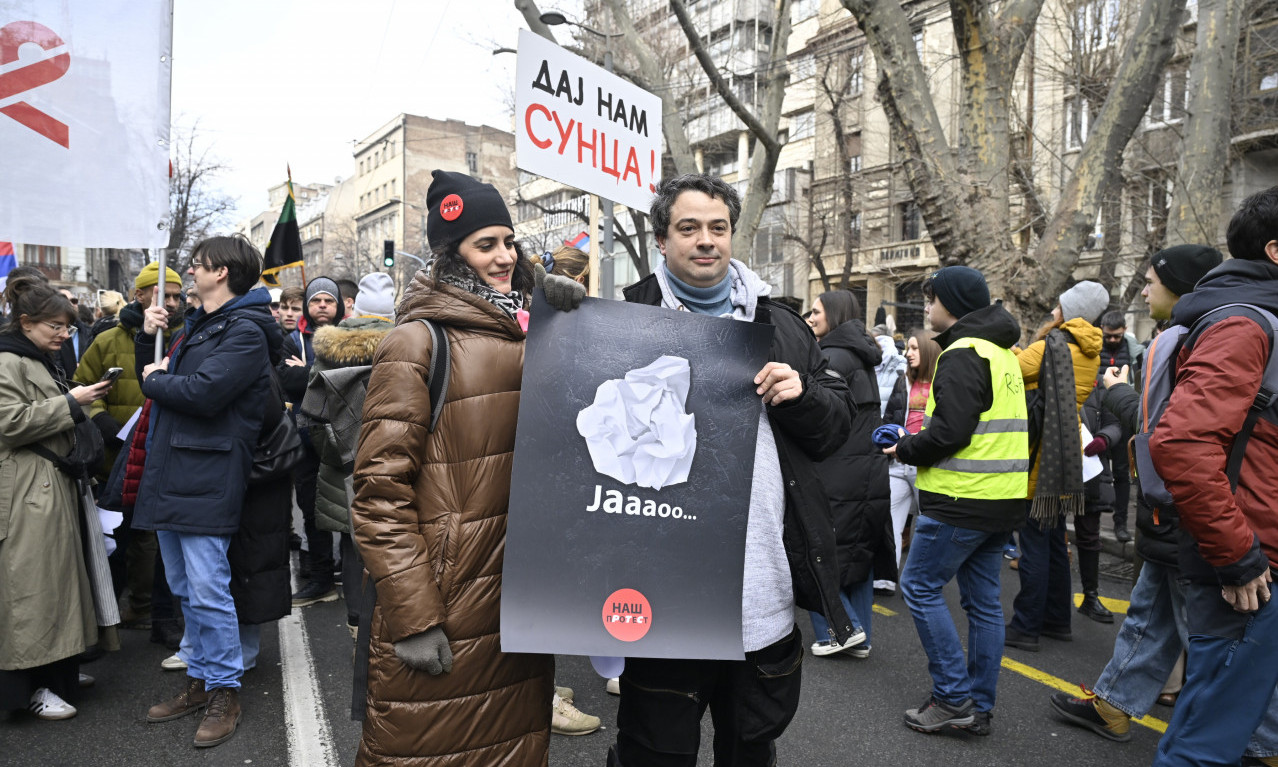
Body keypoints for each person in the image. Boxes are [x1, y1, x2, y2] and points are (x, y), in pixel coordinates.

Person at [605, 173, 854, 766]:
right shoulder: (620, 318)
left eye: (718, 227)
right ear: (662, 240)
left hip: (758, 596)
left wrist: (805, 394)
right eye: (688, 228)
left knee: (749, 751)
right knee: (654, 754)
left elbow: (836, 428)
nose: (706, 241)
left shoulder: (785, 327)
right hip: (661, 596)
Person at [349, 170, 554, 766]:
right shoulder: (416, 342)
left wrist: (569, 318)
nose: (504, 257)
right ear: (452, 253)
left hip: (514, 597)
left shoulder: (529, 329)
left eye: (508, 242)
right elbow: (379, 492)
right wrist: (412, 616)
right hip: (447, 600)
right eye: (484, 244)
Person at [1048, 244, 1232, 745]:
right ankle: (1114, 703)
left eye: (1151, 281)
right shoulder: (1188, 335)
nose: (1144, 290)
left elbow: (1170, 433)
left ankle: (1247, 741)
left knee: (1209, 632)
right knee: (1151, 612)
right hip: (1172, 509)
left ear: (1179, 286)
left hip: (1186, 505)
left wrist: (1120, 394)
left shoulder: (1190, 339)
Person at [1142, 187, 1278, 766]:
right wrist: (1238, 555)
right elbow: (1182, 439)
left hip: (1252, 555)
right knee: (1206, 745)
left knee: (1207, 732)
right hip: (1250, 568)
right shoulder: (1246, 324)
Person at [134, 235, 278, 749]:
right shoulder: (204, 324)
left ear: (222, 273)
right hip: (177, 470)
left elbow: (203, 392)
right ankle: (200, 679)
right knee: (185, 586)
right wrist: (146, 345)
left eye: (197, 265)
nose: (189, 273)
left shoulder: (245, 330)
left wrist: (155, 379)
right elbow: (166, 383)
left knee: (209, 587)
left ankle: (224, 690)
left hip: (207, 474)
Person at [886, 265, 1028, 736]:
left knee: (920, 587)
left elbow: (949, 432)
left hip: (960, 498)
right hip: (1001, 499)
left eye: (932, 299)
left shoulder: (963, 353)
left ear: (954, 305)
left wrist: (904, 447)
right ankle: (978, 706)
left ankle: (951, 698)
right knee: (985, 605)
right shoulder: (1002, 353)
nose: (926, 307)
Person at [0, 276, 113, 721]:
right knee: (32, 590)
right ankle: (31, 687)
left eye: (66, 327)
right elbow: (8, 422)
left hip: (45, 486)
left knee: (55, 584)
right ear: (26, 323)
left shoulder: (34, 356)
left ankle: (58, 674)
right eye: (56, 327)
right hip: (28, 491)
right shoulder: (9, 360)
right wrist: (72, 401)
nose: (64, 335)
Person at [72, 262, 185, 644]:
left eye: (175, 296)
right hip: (116, 458)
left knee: (158, 538)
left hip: (165, 455)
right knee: (116, 538)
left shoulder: (185, 337)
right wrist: (102, 422)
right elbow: (80, 389)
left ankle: (157, 612)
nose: (170, 303)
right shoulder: (106, 340)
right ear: (140, 295)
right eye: (161, 295)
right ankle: (107, 615)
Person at [1003, 280, 1107, 651]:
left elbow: (1012, 368)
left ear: (1069, 309)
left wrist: (1016, 349)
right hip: (1065, 461)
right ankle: (1056, 620)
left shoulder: (1054, 346)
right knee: (1053, 541)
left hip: (1040, 461)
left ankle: (1026, 625)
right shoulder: (1090, 350)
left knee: (1034, 544)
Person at [804, 289, 894, 659]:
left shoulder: (831, 357)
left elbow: (817, 416)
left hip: (836, 467)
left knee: (812, 550)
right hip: (867, 466)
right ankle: (861, 636)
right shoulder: (861, 356)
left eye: (815, 312)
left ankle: (840, 629)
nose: (810, 319)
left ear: (835, 315)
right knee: (859, 554)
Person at [307, 271, 395, 641]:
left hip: (343, 469)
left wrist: (339, 451)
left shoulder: (329, 349)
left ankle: (357, 624)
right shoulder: (408, 344)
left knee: (352, 541)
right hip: (394, 466)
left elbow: (312, 416)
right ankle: (390, 627)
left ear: (354, 307)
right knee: (393, 542)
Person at [280, 276, 344, 607]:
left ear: (338, 306)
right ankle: (320, 579)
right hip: (305, 439)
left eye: (328, 300)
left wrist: (306, 373)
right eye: (316, 300)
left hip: (344, 440)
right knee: (313, 511)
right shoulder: (291, 339)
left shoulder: (350, 338)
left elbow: (348, 380)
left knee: (349, 511)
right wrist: (319, 375)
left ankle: (349, 573)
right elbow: (284, 378)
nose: (322, 305)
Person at [880, 329, 940, 596]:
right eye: (909, 348)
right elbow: (892, 414)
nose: (908, 353)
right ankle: (885, 578)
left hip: (926, 463)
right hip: (899, 459)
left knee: (928, 525)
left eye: (915, 348)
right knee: (889, 519)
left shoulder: (943, 381)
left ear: (927, 350)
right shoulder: (903, 380)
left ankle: (921, 583)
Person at [1095, 309, 1143, 543]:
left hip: (1124, 420)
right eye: (1108, 336)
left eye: (1116, 336)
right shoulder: (1095, 349)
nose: (1112, 340)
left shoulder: (1136, 353)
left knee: (1122, 474)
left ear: (1124, 330)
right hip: (1099, 419)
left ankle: (1120, 523)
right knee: (1098, 469)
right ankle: (1097, 513)